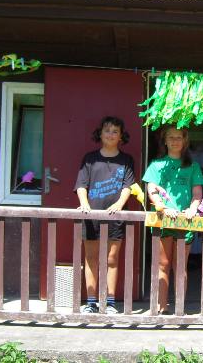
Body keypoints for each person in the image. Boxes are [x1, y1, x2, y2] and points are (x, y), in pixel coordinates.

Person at [74, 116, 135, 314]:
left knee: (112, 259)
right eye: (107, 130)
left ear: (121, 136)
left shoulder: (126, 160)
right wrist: (84, 204)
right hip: (91, 215)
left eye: (115, 131)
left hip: (115, 216)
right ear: (100, 134)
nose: (110, 134)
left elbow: (128, 186)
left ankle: (110, 303)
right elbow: (81, 185)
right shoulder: (90, 158)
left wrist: (119, 204)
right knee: (91, 258)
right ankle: (91, 302)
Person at [143, 125, 203, 314]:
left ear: (185, 141)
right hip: (163, 220)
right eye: (171, 137)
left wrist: (192, 208)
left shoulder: (193, 166)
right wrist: (162, 207)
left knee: (180, 266)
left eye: (179, 137)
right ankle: (161, 306)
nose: (175, 141)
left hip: (184, 222)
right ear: (165, 140)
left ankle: (179, 307)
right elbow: (152, 190)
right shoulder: (156, 164)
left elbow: (197, 193)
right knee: (162, 264)